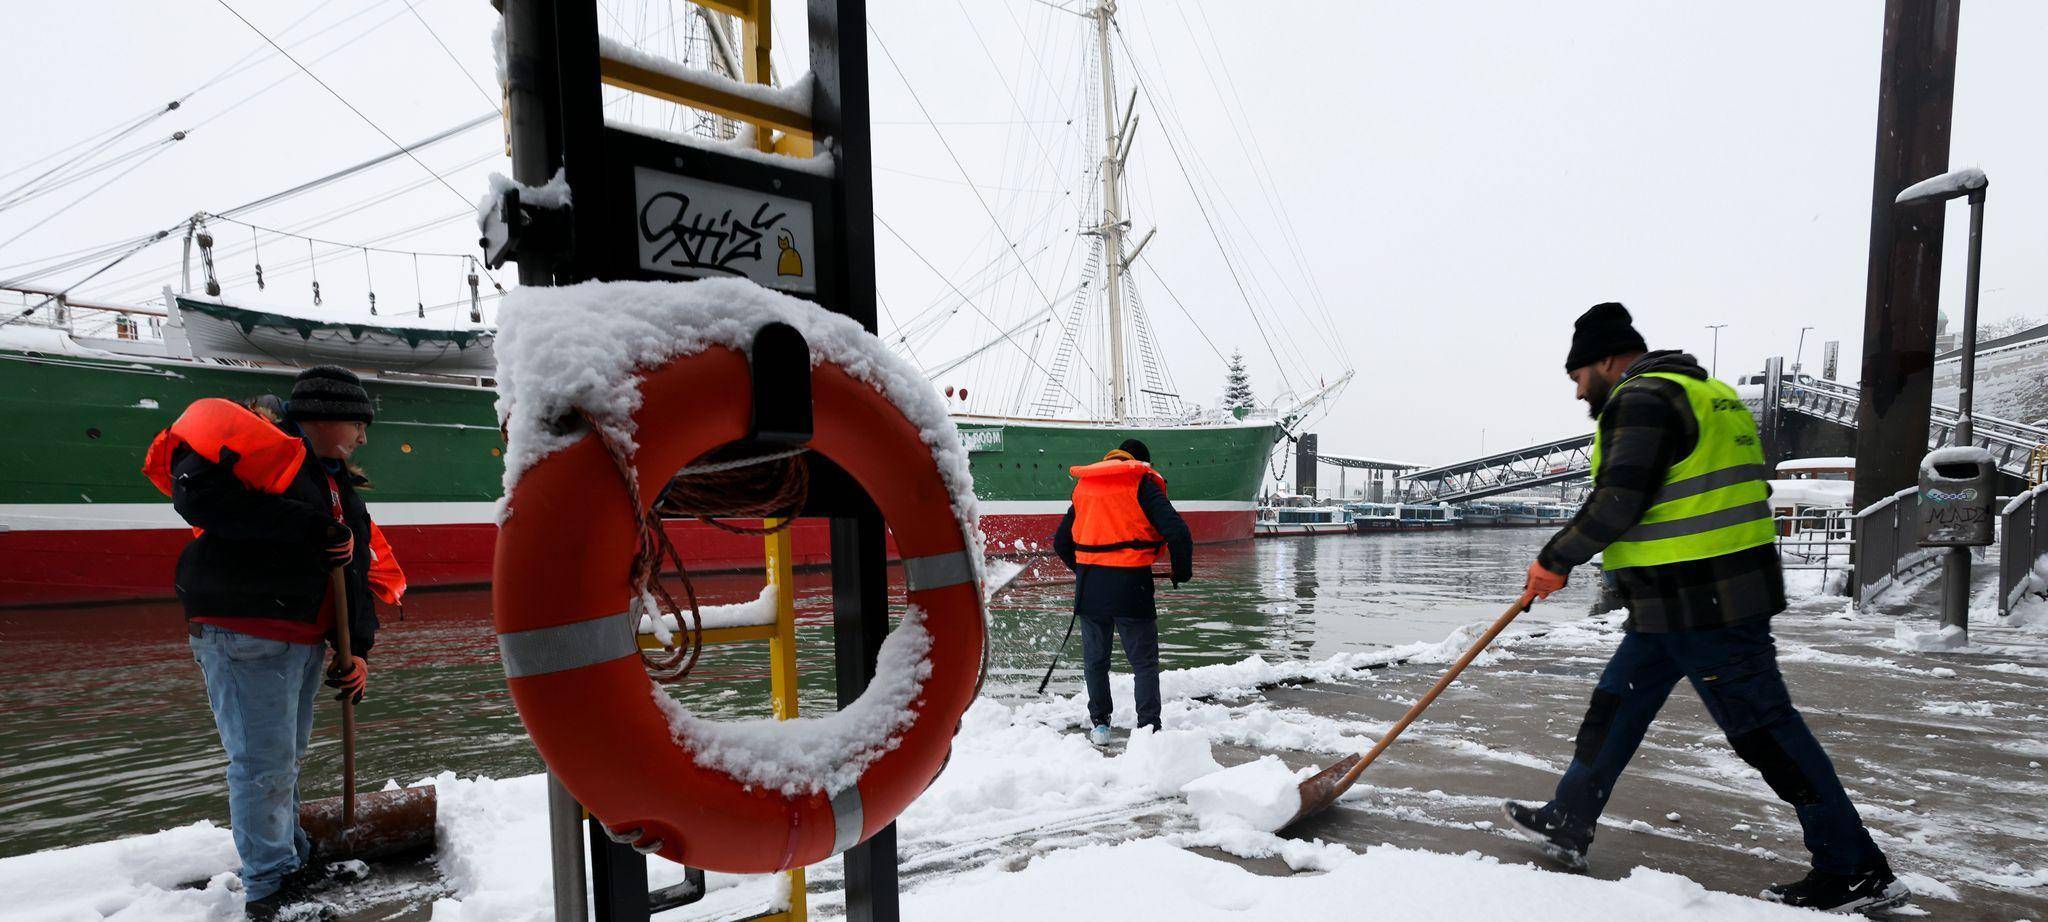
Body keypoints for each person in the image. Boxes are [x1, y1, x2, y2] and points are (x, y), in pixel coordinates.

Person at [1504, 303, 1903, 913]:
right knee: (1616, 706)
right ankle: (1569, 817)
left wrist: (1555, 559)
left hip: (1705, 603)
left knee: (1766, 732)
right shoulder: (1710, 394)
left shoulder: (1641, 399)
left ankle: (1854, 868)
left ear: (1607, 359)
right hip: (1679, 601)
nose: (1578, 389)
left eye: (1578, 375)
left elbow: (1619, 500)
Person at [158, 366, 387, 919]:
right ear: (324, 416)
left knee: (283, 759)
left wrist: (354, 650)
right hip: (248, 630)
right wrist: (308, 528)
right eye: (357, 423)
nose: (362, 437)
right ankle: (269, 892)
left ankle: (292, 860)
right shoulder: (255, 452)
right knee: (262, 764)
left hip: (298, 634)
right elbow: (198, 495)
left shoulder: (332, 480)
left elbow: (351, 567)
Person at [1053, 438, 1193, 746]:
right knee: (1143, 663)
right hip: (1132, 586)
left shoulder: (1086, 487)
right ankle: (1148, 731)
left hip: (1090, 588)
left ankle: (1100, 726)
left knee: (1096, 661)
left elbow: (1060, 542)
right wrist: (1180, 572)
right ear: (1141, 462)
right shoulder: (1140, 483)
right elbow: (1178, 532)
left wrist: (1086, 570)